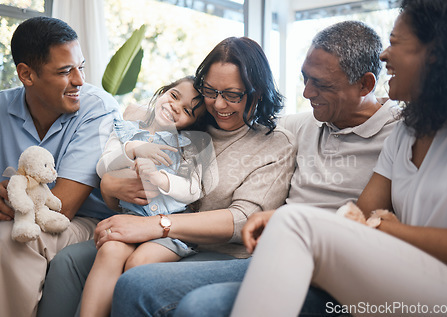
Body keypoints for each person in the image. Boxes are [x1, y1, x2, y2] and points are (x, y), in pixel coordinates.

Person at [109, 21, 400, 317]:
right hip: (277, 249)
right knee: (88, 263)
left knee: (168, 293)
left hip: (314, 260)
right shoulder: (309, 121)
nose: (307, 92)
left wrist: (159, 224)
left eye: (321, 84)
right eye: (304, 78)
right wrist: (111, 181)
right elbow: (145, 124)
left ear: (365, 84)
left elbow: (249, 198)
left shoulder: (401, 134)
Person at [38, 36, 296, 317]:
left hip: (220, 252)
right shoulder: (188, 124)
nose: (219, 104)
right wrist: (110, 186)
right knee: (68, 261)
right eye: (210, 91)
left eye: (232, 95)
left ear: (257, 92)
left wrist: (158, 225)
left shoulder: (275, 144)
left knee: (139, 271)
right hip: (153, 232)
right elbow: (132, 190)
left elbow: (243, 220)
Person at [231, 0, 447, 316]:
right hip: (404, 271)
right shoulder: (409, 129)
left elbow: (369, 225)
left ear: (437, 54)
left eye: (396, 43)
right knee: (291, 222)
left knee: (295, 221)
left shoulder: (401, 126)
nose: (384, 55)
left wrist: (390, 229)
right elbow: (361, 216)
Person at [0, 16, 119, 317]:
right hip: (14, 217)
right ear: (26, 74)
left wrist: (4, 208)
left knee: (13, 236)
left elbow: (64, 206)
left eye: (80, 67)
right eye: (64, 71)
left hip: (82, 225)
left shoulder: (98, 108)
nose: (79, 81)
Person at [80, 76, 211, 317]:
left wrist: (162, 179)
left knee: (139, 263)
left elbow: (194, 190)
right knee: (109, 251)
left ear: (192, 123)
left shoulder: (188, 147)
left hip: (169, 231)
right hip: (131, 220)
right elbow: (102, 167)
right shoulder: (126, 131)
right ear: (163, 92)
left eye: (187, 111)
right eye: (174, 96)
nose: (175, 107)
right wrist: (132, 149)